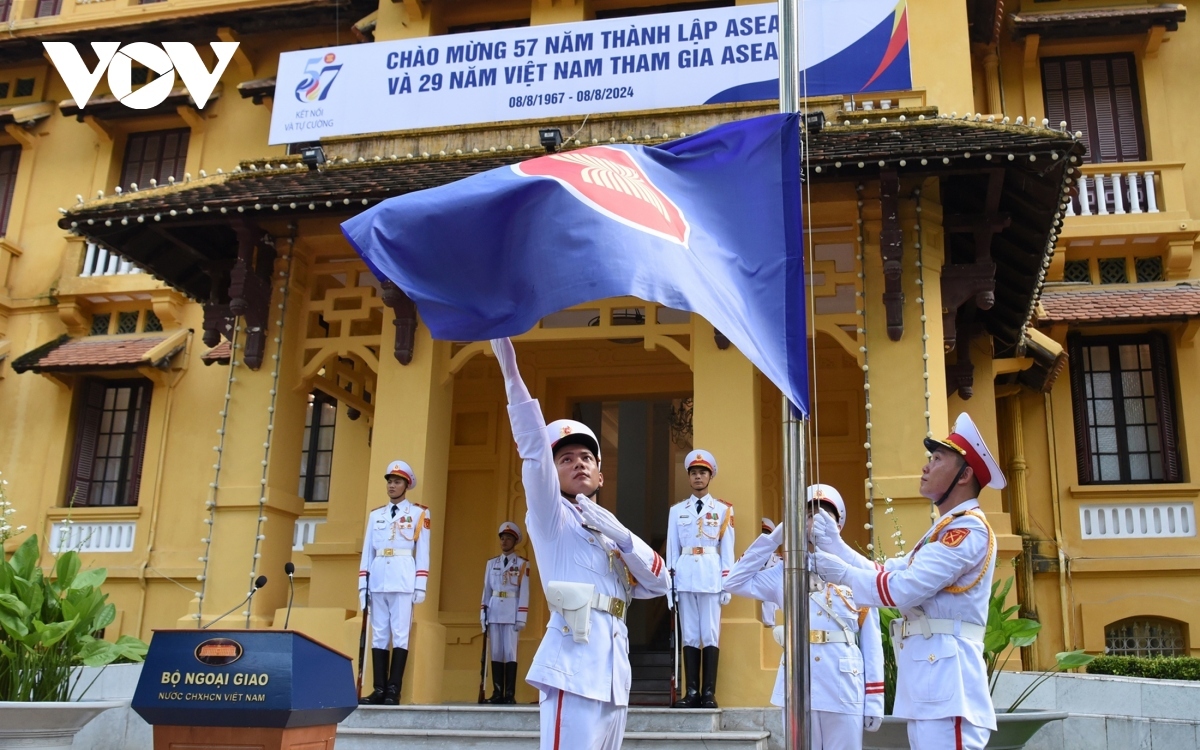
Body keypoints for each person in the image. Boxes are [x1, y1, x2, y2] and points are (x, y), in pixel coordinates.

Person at [491, 337, 670, 750]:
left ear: (601, 476)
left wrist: (625, 538)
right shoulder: (550, 516)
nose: (578, 463)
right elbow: (535, 451)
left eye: (586, 458)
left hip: (612, 669)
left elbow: (660, 585)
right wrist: (512, 376)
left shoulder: (609, 529)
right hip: (572, 663)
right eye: (567, 458)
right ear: (553, 475)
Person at [811, 413, 1005, 750]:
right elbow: (885, 570)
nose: (927, 466)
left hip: (949, 684)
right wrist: (835, 546)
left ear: (965, 475)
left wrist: (839, 572)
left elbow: (901, 589)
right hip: (931, 684)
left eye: (938, 459)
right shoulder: (940, 532)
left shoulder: (967, 530)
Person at [724, 485, 884, 748]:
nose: (815, 522)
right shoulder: (785, 571)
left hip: (843, 683)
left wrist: (875, 699)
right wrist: (774, 538)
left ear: (838, 524)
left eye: (824, 515)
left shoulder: (855, 569)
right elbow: (734, 581)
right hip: (800, 681)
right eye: (808, 515)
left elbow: (871, 638)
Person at [665, 450, 735, 708]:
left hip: (710, 575)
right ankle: (692, 692)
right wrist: (669, 585)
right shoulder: (676, 511)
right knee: (690, 635)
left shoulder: (723, 509)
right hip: (684, 576)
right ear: (689, 477)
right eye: (693, 473)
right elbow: (672, 549)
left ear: (710, 476)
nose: (697, 477)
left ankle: (709, 693)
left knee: (710, 634)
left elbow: (727, 550)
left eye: (702, 473)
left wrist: (727, 582)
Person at [357, 459, 430, 705]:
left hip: (402, 578)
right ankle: (378, 688)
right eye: (389, 481)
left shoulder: (419, 513)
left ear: (406, 485)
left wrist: (420, 584)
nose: (391, 485)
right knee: (379, 635)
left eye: (397, 481)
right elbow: (368, 551)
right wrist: (363, 585)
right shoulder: (376, 515)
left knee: (400, 634)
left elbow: (423, 551)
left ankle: (393, 689)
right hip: (377, 578)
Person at [481, 521, 531, 704]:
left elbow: (524, 593)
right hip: (494, 610)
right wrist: (483, 613)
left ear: (515, 541)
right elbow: (486, 590)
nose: (504, 542)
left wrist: (522, 617)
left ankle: (509, 694)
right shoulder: (491, 563)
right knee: (495, 652)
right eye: (502, 538)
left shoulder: (523, 564)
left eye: (508, 538)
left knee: (510, 653)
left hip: (511, 612)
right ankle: (497, 692)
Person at [758, 518, 781, 628]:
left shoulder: (781, 563)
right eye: (761, 536)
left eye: (767, 535)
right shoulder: (747, 563)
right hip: (758, 623)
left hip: (776, 623)